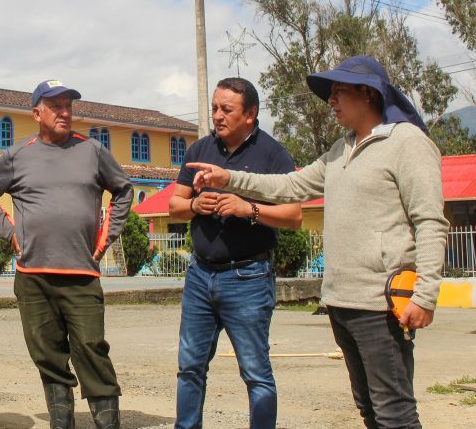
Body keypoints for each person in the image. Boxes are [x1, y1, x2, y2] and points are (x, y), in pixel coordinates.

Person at [187, 56, 449, 429]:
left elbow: (431, 222)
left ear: (368, 94)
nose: (332, 101)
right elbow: (290, 185)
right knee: (368, 408)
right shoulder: (341, 149)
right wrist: (229, 178)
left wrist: (425, 296)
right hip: (341, 300)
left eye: (339, 91)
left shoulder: (407, 143)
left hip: (381, 304)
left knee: (395, 412)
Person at [0, 80, 133, 429]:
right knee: (48, 354)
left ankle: (108, 423)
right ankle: (62, 422)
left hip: (81, 274)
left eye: (68, 106)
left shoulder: (92, 150)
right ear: (37, 113)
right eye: (55, 106)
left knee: (91, 348)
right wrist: (10, 232)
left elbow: (123, 190)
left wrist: (105, 239)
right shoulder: (18, 155)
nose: (64, 112)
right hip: (34, 277)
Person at [168, 77, 301, 429]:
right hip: (200, 275)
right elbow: (174, 205)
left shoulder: (272, 153)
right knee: (190, 367)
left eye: (227, 109)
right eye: (215, 108)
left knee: (256, 372)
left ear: (250, 114)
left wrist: (248, 209)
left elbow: (294, 216)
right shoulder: (199, 151)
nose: (217, 116)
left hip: (248, 278)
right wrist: (195, 205)